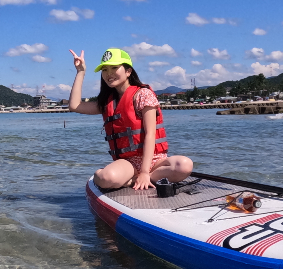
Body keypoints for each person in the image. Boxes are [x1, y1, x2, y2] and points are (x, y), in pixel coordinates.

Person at [68, 47, 194, 191]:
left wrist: (145, 172)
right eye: (105, 70)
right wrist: (81, 71)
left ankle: (139, 178)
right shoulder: (107, 102)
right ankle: (125, 177)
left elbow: (150, 134)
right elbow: (74, 105)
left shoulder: (143, 95)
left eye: (114, 68)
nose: (109, 73)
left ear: (128, 71)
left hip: (155, 160)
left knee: (184, 165)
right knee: (105, 178)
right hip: (129, 163)